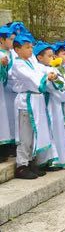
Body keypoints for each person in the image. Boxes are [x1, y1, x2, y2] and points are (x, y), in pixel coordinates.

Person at [8, 32, 58, 179]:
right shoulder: (18, 64)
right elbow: (31, 77)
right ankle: (21, 165)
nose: (30, 50)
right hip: (26, 102)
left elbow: (42, 70)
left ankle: (30, 162)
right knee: (25, 135)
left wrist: (53, 73)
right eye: (27, 47)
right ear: (17, 50)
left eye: (31, 47)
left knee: (35, 133)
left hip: (36, 100)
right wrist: (45, 77)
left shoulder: (31, 62)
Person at [34, 42, 65, 171]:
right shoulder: (39, 69)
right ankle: (49, 160)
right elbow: (47, 85)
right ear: (39, 57)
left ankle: (59, 158)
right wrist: (56, 83)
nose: (52, 58)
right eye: (49, 56)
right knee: (50, 131)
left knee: (58, 130)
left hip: (55, 104)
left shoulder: (53, 68)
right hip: (47, 104)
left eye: (52, 56)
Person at [0, 25, 15, 162]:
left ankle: (9, 147)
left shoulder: (13, 54)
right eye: (10, 39)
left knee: (9, 120)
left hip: (12, 93)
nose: (12, 42)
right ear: (1, 40)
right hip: (3, 92)